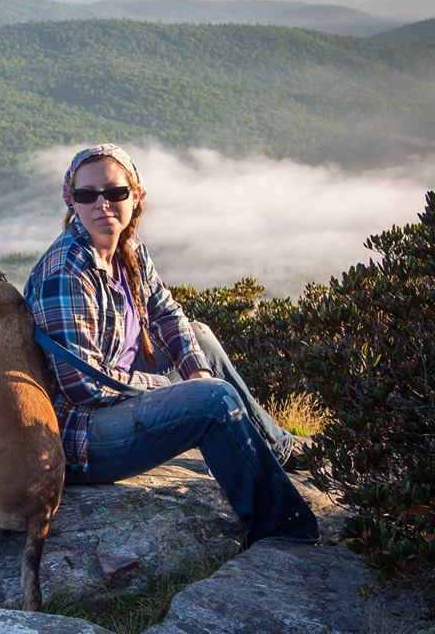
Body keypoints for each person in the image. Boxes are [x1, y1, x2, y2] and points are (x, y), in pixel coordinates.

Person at [23, 144, 318, 547]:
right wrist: (176, 388)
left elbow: (166, 314)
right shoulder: (67, 269)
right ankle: (282, 530)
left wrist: (194, 369)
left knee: (200, 337)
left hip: (115, 394)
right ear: (71, 201)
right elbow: (81, 385)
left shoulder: (129, 251)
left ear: (136, 195)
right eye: (87, 195)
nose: (102, 204)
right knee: (212, 402)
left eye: (115, 193)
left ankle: (276, 449)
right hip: (80, 437)